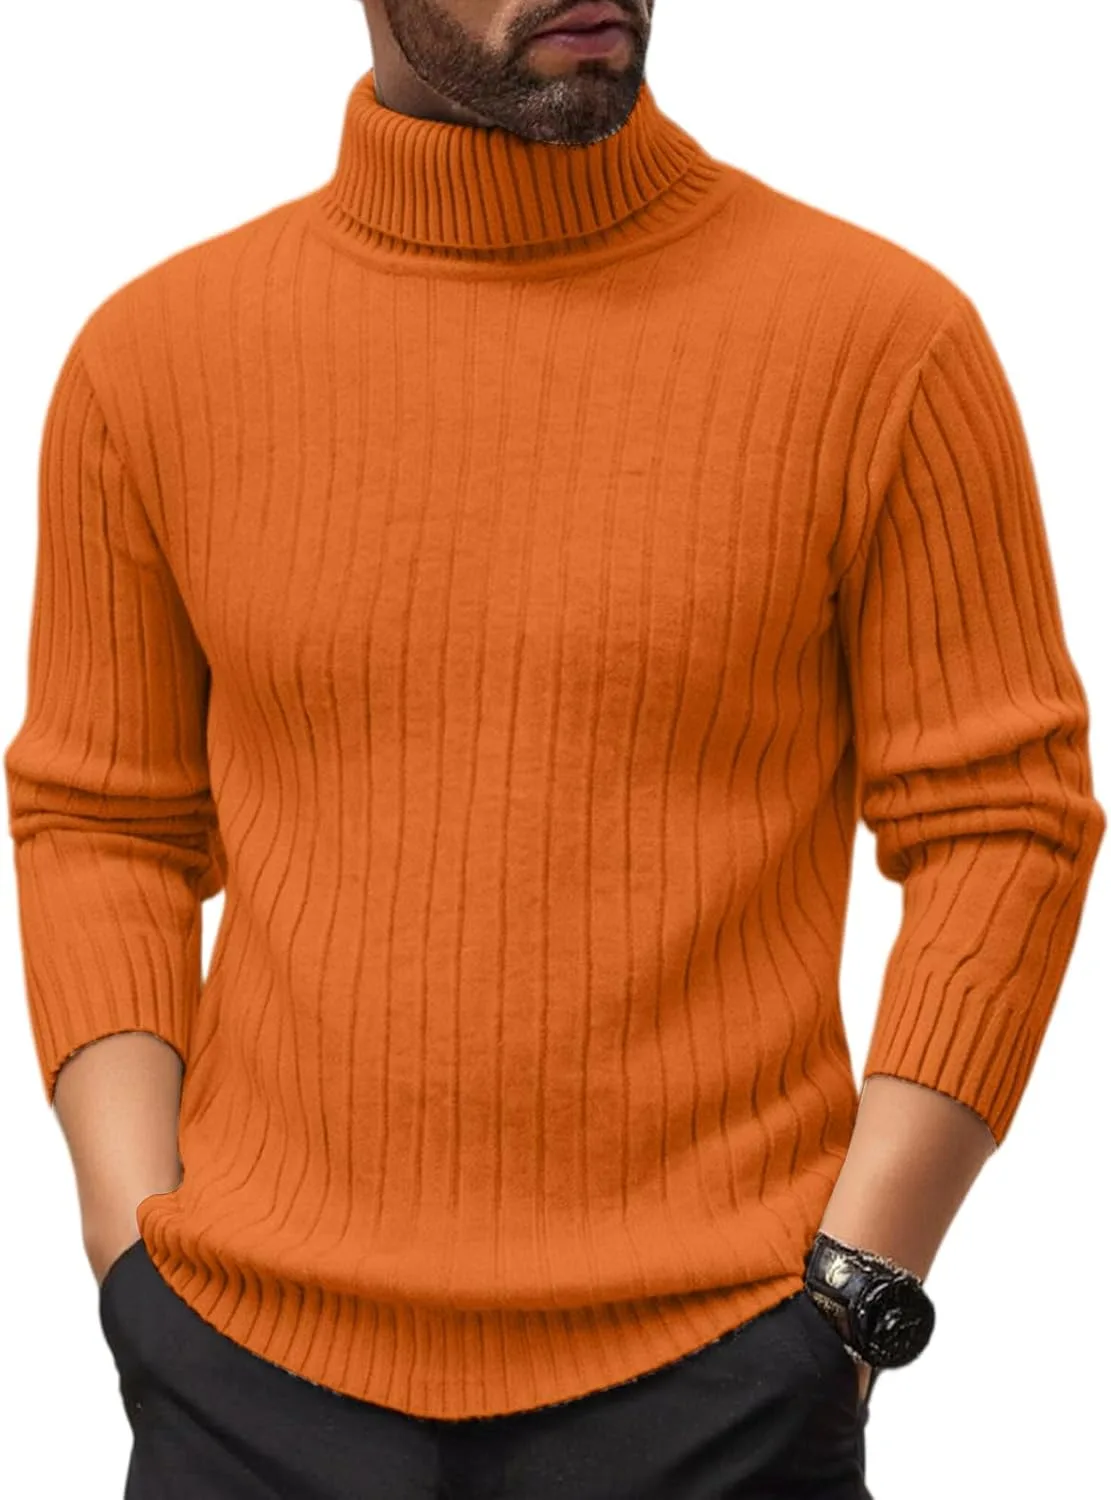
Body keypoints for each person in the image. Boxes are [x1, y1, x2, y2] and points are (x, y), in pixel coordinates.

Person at [4, 2, 1104, 1496]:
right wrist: (132, 1256)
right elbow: (102, 819)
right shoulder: (152, 362)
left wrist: (852, 1294)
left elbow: (1002, 819)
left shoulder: (880, 340)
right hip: (244, 1382)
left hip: (720, 1381)